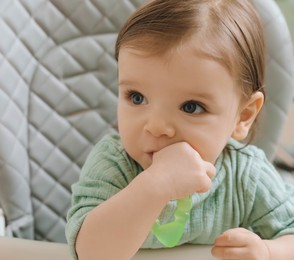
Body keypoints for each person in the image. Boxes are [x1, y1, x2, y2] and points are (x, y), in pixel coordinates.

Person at [65, 0, 294, 259]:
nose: (156, 127)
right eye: (136, 97)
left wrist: (268, 251)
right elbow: (90, 253)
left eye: (191, 107)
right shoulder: (114, 165)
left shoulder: (246, 176)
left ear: (243, 116)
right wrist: (155, 185)